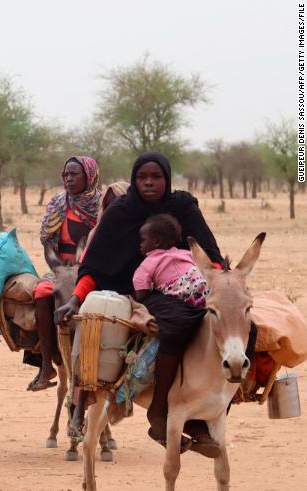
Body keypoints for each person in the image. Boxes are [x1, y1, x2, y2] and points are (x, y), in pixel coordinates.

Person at [56, 152, 232, 457]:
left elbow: (209, 255)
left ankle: (212, 409)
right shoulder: (120, 213)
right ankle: (157, 412)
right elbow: (95, 266)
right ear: (135, 180)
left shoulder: (183, 208)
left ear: (167, 178)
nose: (149, 182)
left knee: (233, 328)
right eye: (142, 177)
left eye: (156, 177)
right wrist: (75, 299)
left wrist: (225, 287)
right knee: (175, 326)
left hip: (187, 287)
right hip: (134, 292)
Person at [28, 156, 101, 392]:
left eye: (74, 174)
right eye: (66, 174)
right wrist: (59, 269)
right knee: (41, 291)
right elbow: (48, 243)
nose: (68, 179)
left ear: (89, 176)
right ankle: (46, 365)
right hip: (60, 268)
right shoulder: (58, 203)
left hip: (94, 269)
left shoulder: (101, 206)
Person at [133, 214, 209, 307]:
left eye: (143, 240)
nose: (140, 244)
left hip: (179, 302)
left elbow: (141, 295)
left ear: (157, 241)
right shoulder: (186, 254)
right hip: (205, 291)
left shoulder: (147, 264)